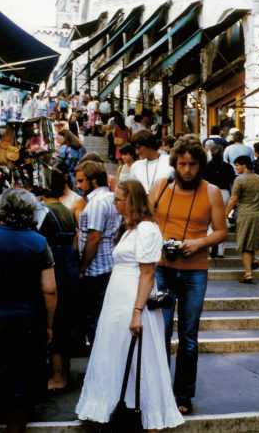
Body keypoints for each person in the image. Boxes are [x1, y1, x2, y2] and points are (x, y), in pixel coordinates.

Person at [76, 179, 184, 431]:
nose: (114, 202)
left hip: (134, 300)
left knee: (140, 356)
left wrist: (137, 311)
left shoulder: (147, 230)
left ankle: (147, 413)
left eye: (118, 199)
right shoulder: (130, 229)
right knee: (117, 352)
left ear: (131, 201)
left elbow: (147, 273)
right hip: (118, 298)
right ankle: (110, 405)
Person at [149, 134, 227, 415]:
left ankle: (183, 394)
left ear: (200, 164)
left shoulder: (212, 192)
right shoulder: (160, 187)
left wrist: (198, 243)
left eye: (192, 164)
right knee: (160, 333)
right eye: (182, 164)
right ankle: (156, 391)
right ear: (174, 163)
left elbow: (221, 231)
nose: (187, 170)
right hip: (162, 269)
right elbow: (146, 221)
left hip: (195, 272)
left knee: (189, 337)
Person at [0, 188, 57, 433]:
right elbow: (50, 290)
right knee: (21, 382)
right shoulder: (39, 243)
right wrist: (49, 324)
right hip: (27, 320)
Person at [37, 169, 84, 391]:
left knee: (56, 323)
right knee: (66, 322)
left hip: (55, 269)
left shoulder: (46, 213)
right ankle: (64, 372)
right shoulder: (65, 210)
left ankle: (57, 377)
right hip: (70, 269)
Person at [76, 161, 122, 345]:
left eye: (81, 181)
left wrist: (83, 266)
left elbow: (94, 237)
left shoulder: (96, 203)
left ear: (93, 181)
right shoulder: (110, 198)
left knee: (92, 317)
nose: (78, 185)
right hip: (107, 263)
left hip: (96, 268)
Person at [225, 155, 259, 283]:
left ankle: (248, 274)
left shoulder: (239, 180)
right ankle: (254, 259)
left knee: (244, 244)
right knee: (252, 241)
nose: (236, 168)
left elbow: (233, 199)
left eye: (237, 165)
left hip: (245, 214)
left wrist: (225, 213)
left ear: (244, 165)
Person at [205, 144, 236, 257]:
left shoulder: (207, 165)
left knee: (208, 221)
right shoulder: (228, 166)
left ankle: (211, 242)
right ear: (221, 153)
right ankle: (220, 251)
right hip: (224, 193)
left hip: (209, 192)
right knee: (221, 221)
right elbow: (233, 182)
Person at [130, 130, 173, 195]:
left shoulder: (170, 161)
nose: (137, 152)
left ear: (148, 144)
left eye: (138, 148)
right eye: (135, 149)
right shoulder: (136, 166)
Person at [53, 160, 86, 226]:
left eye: (57, 177)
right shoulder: (52, 196)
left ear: (66, 177)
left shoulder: (76, 199)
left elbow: (82, 229)